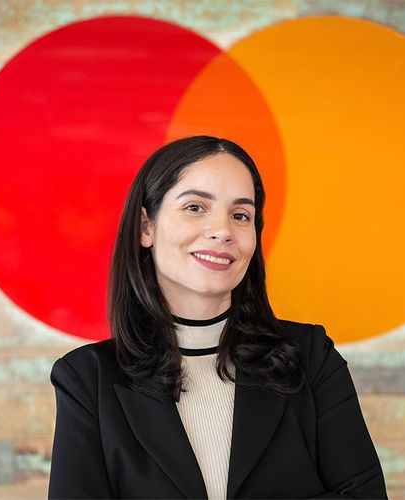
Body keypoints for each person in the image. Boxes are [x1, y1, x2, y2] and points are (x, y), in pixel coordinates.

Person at [48, 135, 387, 499]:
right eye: (195, 207)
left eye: (241, 215)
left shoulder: (311, 357)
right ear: (146, 227)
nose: (222, 231)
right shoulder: (87, 379)